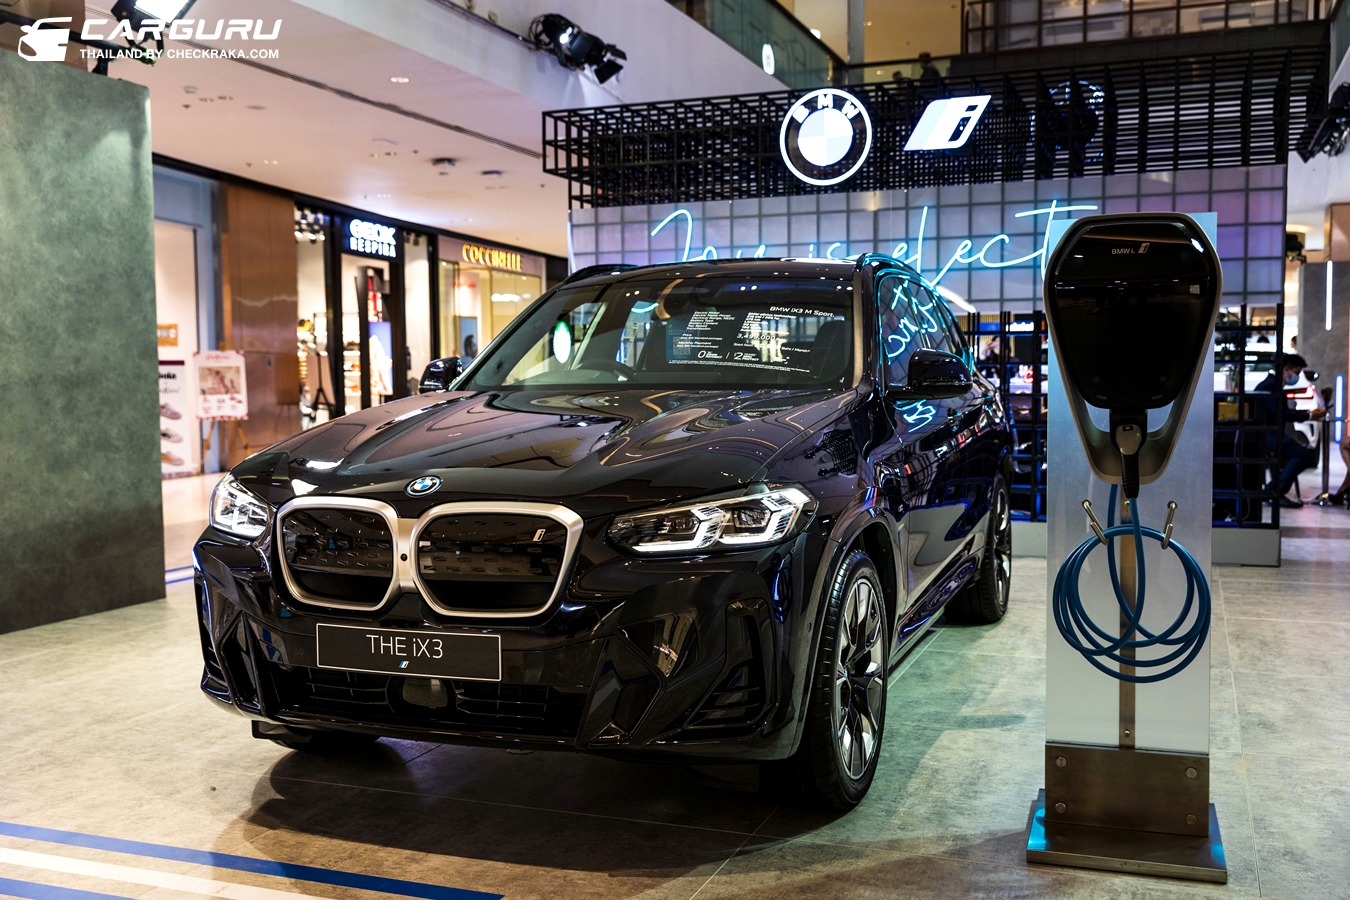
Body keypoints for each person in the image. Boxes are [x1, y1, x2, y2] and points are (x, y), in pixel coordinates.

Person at [1253, 353, 1325, 507]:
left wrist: (1308, 414)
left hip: (1271, 434)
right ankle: (1273, 491)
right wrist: (1309, 415)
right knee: (1303, 455)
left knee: (1297, 454)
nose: (1296, 377)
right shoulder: (1270, 386)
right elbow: (1281, 414)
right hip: (1267, 435)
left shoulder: (1273, 385)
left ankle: (1274, 491)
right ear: (1286, 370)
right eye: (1296, 373)